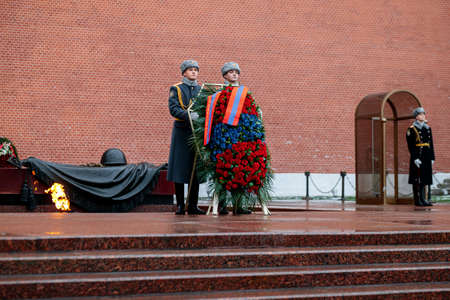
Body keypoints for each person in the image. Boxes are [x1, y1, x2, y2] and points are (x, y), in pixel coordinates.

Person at [167, 60, 205, 215]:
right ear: (183, 73)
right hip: (182, 131)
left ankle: (193, 204)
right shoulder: (176, 88)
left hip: (196, 132)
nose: (194, 72)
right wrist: (189, 115)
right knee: (179, 168)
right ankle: (181, 205)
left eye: (196, 69)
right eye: (190, 70)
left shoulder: (202, 89)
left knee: (194, 168)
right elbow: (174, 109)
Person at [406, 107, 435, 207]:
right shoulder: (411, 129)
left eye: (424, 114)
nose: (423, 116)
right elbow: (410, 145)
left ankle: (423, 198)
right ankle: (417, 199)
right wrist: (415, 158)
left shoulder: (427, 128)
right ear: (416, 117)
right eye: (421, 114)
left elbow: (431, 144)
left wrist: (432, 157)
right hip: (418, 156)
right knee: (417, 179)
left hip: (426, 156)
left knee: (424, 179)